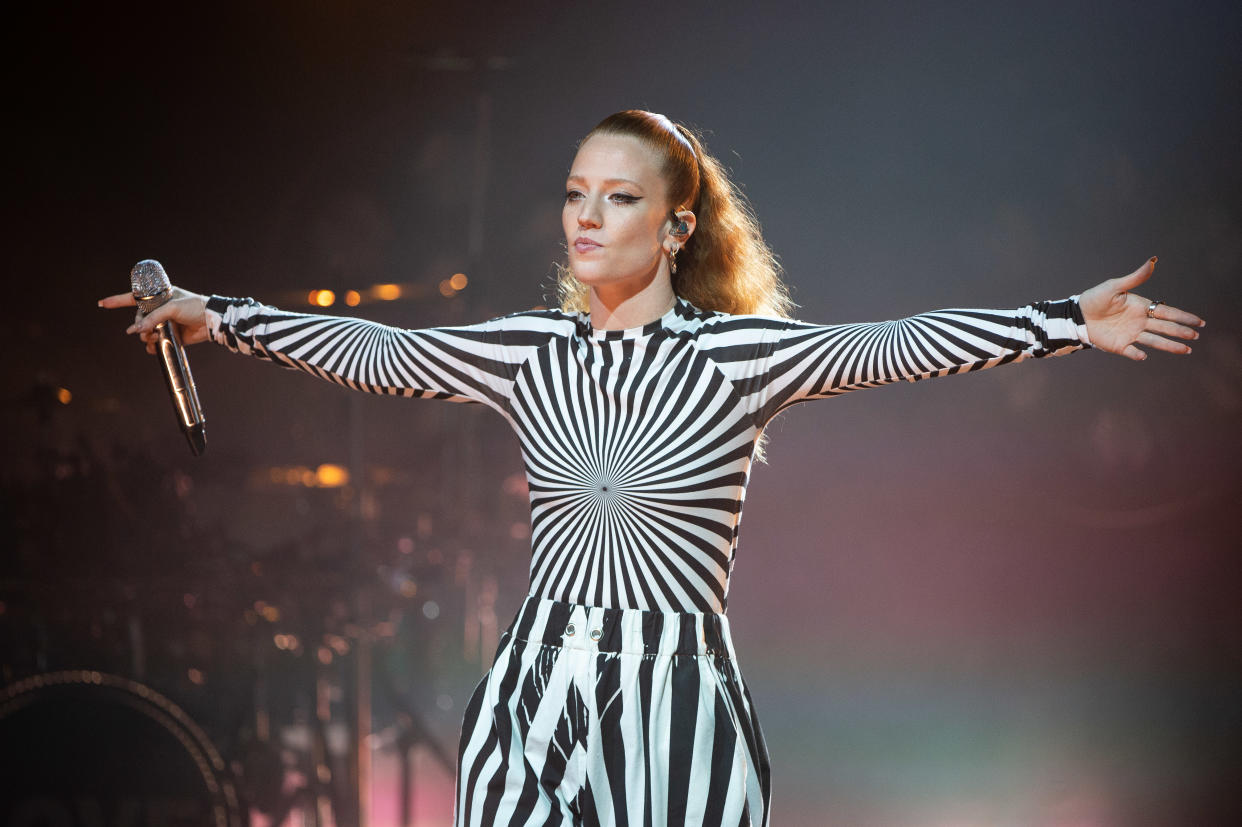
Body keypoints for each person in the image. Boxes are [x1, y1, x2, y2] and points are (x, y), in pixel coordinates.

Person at [102, 110, 1204, 827]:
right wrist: (218, 317)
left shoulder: (735, 357)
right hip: (535, 689)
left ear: (677, 226)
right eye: (578, 191)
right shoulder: (531, 349)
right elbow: (385, 351)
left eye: (619, 196)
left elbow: (895, 341)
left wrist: (1064, 322)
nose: (587, 214)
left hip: (679, 694)